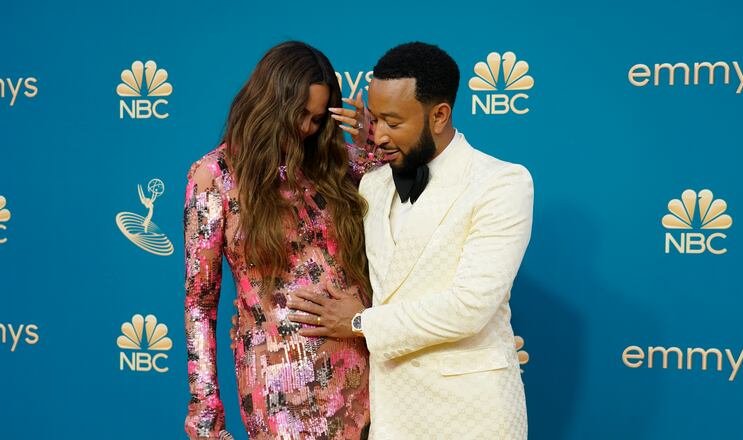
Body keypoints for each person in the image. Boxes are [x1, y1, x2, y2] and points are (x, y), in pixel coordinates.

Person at [287, 42, 533, 439]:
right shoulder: (373, 184)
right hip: (395, 415)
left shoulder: (500, 182)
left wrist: (358, 322)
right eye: (375, 119)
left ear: (439, 116)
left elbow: (469, 306)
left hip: (474, 415)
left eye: (393, 122)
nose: (378, 135)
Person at [183, 40, 379, 440]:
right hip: (276, 380)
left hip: (360, 369)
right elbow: (200, 303)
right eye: (300, 115)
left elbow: (402, 208)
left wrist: (370, 140)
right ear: (270, 103)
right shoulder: (214, 176)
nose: (308, 128)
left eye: (318, 118)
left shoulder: (336, 165)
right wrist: (205, 412)